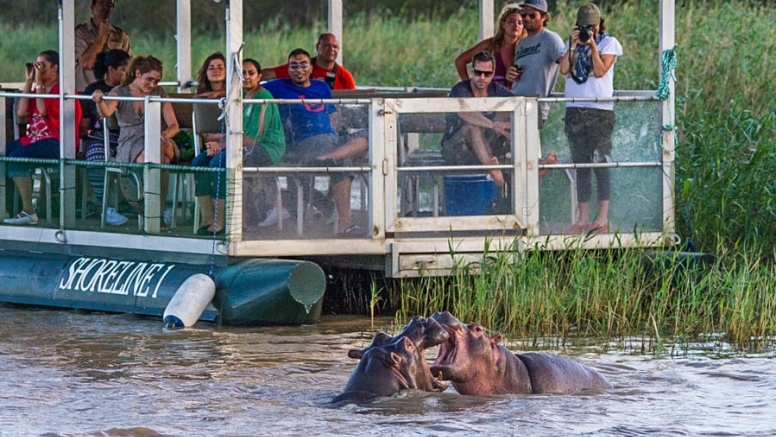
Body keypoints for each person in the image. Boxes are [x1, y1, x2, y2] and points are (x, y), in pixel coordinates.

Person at [263, 48, 364, 235]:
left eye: (303, 65)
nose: (299, 69)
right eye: (293, 66)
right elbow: (250, 86)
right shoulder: (277, 86)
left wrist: (336, 135)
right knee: (343, 161)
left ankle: (333, 155)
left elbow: (332, 115)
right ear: (288, 69)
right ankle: (345, 223)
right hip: (302, 143)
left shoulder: (322, 87)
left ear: (311, 68)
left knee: (367, 135)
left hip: (331, 141)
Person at [192, 58, 286, 235]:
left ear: (259, 76)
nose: (247, 77)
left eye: (251, 73)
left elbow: (256, 136)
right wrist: (215, 143)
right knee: (199, 162)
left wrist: (221, 146)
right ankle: (207, 218)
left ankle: (221, 222)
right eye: (243, 73)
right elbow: (232, 129)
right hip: (238, 145)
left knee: (217, 162)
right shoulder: (238, 96)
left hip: (266, 147)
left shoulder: (263, 97)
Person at [442, 51, 557, 189]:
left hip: (489, 146)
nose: (482, 78)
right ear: (471, 71)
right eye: (478, 73)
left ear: (493, 73)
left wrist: (507, 126)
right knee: (472, 127)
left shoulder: (497, 90)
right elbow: (466, 114)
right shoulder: (460, 89)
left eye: (487, 74)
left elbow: (521, 110)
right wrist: (494, 126)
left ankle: (530, 170)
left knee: (518, 129)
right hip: (457, 149)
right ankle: (495, 171)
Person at [91, 55, 180, 229]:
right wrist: (99, 99)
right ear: (138, 73)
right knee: (163, 160)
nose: (153, 85)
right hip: (131, 141)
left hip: (158, 138)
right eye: (149, 79)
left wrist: (162, 135)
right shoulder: (120, 91)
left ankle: (147, 203)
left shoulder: (159, 93)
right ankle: (156, 212)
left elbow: (174, 125)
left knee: (157, 150)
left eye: (157, 80)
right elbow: (106, 113)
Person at [559, 3, 622, 234]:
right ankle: (583, 218)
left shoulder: (609, 42)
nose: (587, 30)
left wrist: (592, 44)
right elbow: (564, 69)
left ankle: (602, 218)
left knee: (601, 162)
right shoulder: (572, 44)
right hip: (575, 111)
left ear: (598, 25)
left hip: (600, 111)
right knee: (581, 164)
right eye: (583, 26)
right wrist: (573, 44)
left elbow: (601, 69)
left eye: (591, 26)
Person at [4, 50, 82, 225]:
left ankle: (28, 211)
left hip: (58, 142)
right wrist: (30, 80)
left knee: (18, 158)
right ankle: (7, 206)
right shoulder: (39, 88)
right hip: (35, 140)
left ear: (55, 68)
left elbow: (43, 110)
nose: (38, 68)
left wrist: (38, 83)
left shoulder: (63, 90)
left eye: (42, 66)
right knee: (3, 153)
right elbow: (21, 112)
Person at [80, 49, 132, 226]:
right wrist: (84, 131)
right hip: (100, 138)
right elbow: (85, 121)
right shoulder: (93, 90)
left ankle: (138, 203)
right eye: (125, 69)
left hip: (127, 137)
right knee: (95, 158)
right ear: (111, 69)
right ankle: (105, 206)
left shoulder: (130, 90)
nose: (128, 74)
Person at [505, 0, 566, 128]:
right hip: (515, 100)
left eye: (532, 15)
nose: (526, 18)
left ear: (544, 17)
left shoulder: (551, 39)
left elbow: (565, 66)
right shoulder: (521, 43)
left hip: (535, 104)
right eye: (524, 14)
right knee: (500, 141)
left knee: (524, 144)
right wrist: (510, 75)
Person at [455, 3, 526, 89]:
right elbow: (460, 61)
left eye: (520, 23)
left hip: (514, 97)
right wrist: (468, 87)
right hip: (490, 97)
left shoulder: (525, 49)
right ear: (503, 24)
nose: (516, 25)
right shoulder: (490, 45)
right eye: (511, 21)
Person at [261, 33, 356, 90]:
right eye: (327, 46)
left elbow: (355, 106)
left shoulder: (345, 77)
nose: (331, 49)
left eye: (335, 47)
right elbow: (270, 74)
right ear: (317, 46)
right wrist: (249, 79)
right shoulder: (300, 66)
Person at [75, 0, 133, 92]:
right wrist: (102, 35)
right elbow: (87, 63)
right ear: (92, 6)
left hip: (113, 91)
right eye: (102, 3)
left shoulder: (120, 35)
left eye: (110, 5)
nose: (106, 7)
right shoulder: (80, 33)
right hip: (85, 91)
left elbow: (129, 65)